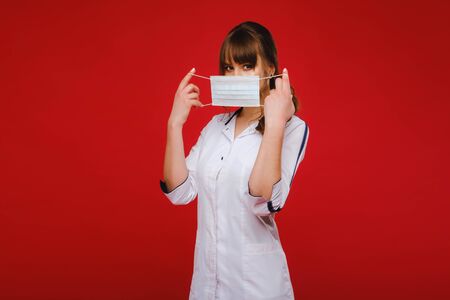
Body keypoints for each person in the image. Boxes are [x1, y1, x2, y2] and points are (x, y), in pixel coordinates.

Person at [160, 21, 310, 300]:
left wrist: (275, 122)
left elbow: (264, 201)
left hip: (256, 286)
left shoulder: (293, 128)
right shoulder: (216, 126)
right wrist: (174, 123)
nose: (235, 75)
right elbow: (179, 191)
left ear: (269, 68)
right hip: (208, 283)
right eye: (229, 68)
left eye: (247, 66)